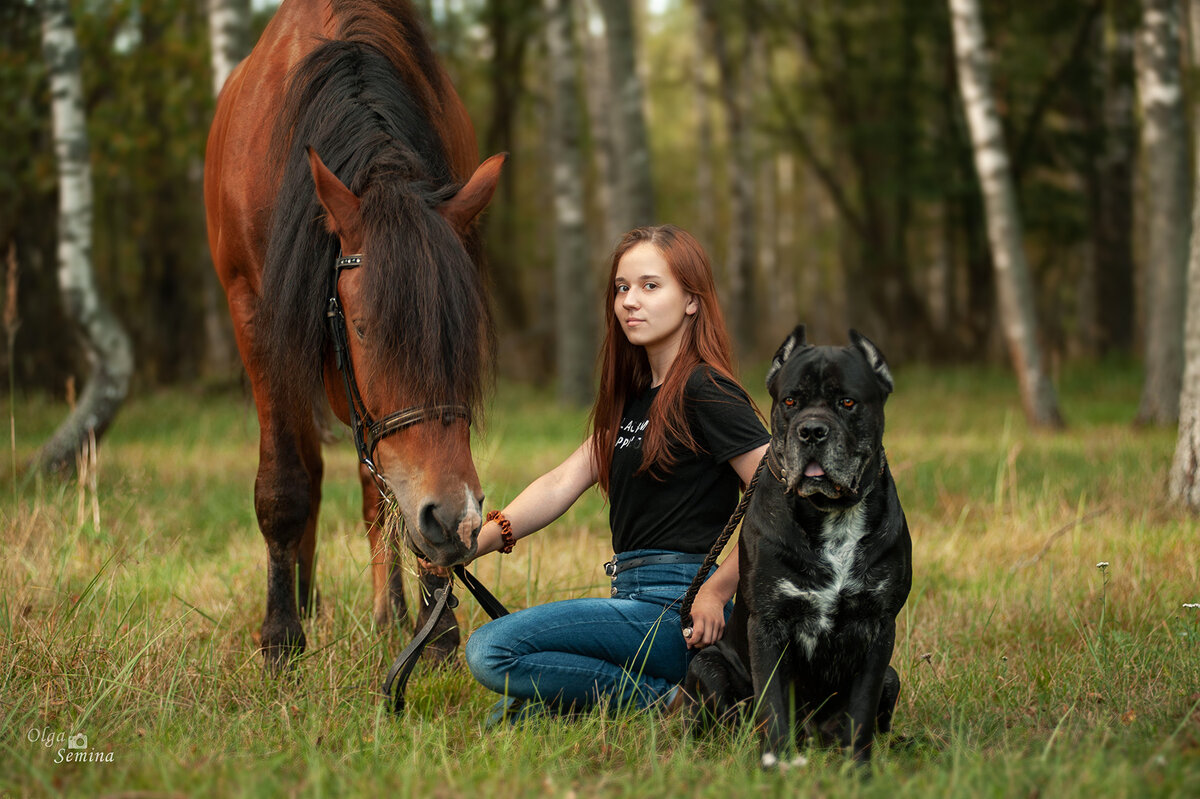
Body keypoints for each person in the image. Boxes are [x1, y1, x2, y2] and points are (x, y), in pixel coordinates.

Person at [463, 224, 770, 721]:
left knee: (491, 651)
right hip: (630, 600)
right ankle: (659, 698)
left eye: (650, 286)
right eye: (622, 288)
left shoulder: (707, 389)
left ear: (692, 300)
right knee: (513, 714)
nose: (630, 301)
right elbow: (561, 483)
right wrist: (475, 542)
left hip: (683, 609)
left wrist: (718, 590)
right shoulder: (634, 401)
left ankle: (677, 703)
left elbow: (778, 490)